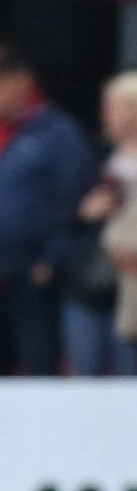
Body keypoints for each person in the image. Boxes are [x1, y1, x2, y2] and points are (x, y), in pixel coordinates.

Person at [0, 46, 95, 377]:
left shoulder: (57, 133)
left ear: (25, 82)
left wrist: (52, 261)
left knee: (39, 375)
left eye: (2, 81)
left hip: (29, 281)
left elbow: (77, 204)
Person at [81, 72, 137, 375]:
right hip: (105, 280)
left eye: (113, 107)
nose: (107, 116)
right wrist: (88, 210)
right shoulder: (106, 157)